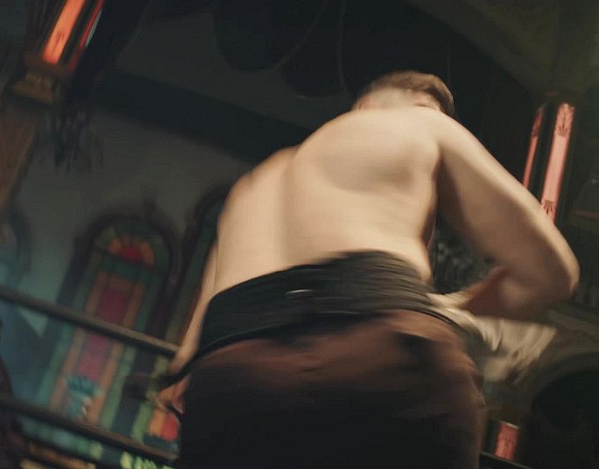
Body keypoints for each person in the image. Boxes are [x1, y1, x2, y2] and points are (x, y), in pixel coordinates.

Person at [159, 71, 579, 468]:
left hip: (233, 378)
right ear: (379, 107)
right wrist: (452, 310)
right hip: (384, 358)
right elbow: (552, 270)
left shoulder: (254, 184)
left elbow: (189, 354)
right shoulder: (420, 123)